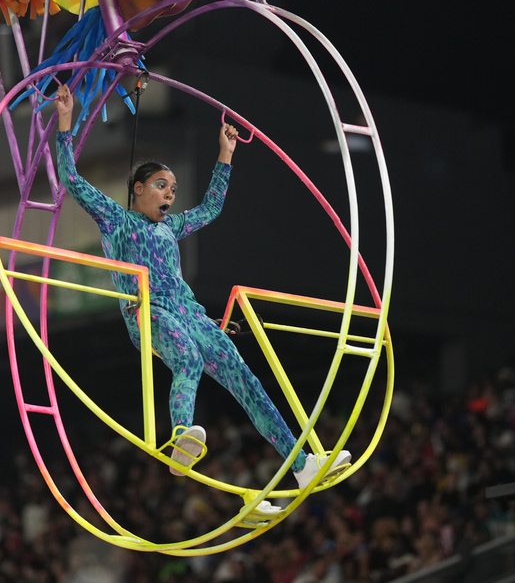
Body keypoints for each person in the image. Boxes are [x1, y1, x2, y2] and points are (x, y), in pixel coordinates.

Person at [53, 84, 349, 490]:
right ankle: (181, 438)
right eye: (161, 185)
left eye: (173, 189)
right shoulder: (115, 220)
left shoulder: (171, 225)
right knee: (188, 360)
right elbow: (70, 178)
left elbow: (211, 208)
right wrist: (65, 122)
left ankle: (300, 466)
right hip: (148, 312)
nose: (170, 194)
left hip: (189, 313)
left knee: (246, 379)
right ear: (137, 188)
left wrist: (225, 153)